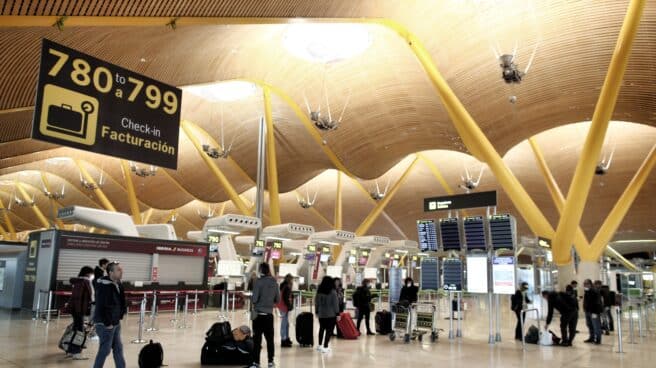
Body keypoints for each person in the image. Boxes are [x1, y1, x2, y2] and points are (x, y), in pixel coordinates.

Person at [93, 262, 127, 368]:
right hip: (105, 324)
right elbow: (101, 305)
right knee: (105, 350)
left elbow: (120, 302)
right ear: (111, 272)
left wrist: (120, 314)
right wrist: (108, 323)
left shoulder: (118, 284)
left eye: (121, 269)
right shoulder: (104, 286)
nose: (121, 271)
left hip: (115, 322)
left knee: (118, 348)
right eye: (118, 270)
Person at [249, 263, 280, 368]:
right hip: (268, 316)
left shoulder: (258, 282)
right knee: (270, 340)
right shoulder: (274, 283)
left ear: (261, 270)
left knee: (257, 340)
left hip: (258, 315)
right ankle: (271, 362)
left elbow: (254, 299)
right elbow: (278, 299)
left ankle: (256, 363)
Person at [67, 266, 94, 360]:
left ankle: (70, 350)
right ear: (87, 273)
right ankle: (76, 352)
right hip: (79, 310)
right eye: (91, 273)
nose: (92, 275)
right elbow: (84, 297)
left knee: (75, 329)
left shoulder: (78, 281)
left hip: (76, 309)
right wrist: (80, 311)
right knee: (79, 331)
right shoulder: (85, 282)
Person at [315, 276, 341, 353]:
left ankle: (319, 345)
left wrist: (316, 311)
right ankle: (326, 346)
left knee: (321, 329)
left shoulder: (319, 291)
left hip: (321, 314)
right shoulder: (333, 292)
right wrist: (338, 314)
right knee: (329, 331)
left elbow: (316, 303)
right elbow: (335, 304)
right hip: (331, 314)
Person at [583, 279, 603, 344]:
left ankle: (598, 339)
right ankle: (591, 337)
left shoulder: (594, 291)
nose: (585, 285)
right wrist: (585, 308)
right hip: (587, 311)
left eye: (586, 284)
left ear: (590, 284)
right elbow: (586, 301)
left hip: (594, 312)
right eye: (584, 284)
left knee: (596, 325)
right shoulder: (587, 291)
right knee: (589, 325)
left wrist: (595, 312)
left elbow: (596, 302)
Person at [277, 274, 294, 348]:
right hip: (284, 306)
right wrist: (289, 306)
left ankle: (286, 338)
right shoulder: (287, 287)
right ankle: (283, 340)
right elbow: (286, 298)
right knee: (284, 324)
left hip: (282, 306)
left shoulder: (283, 285)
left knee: (286, 323)